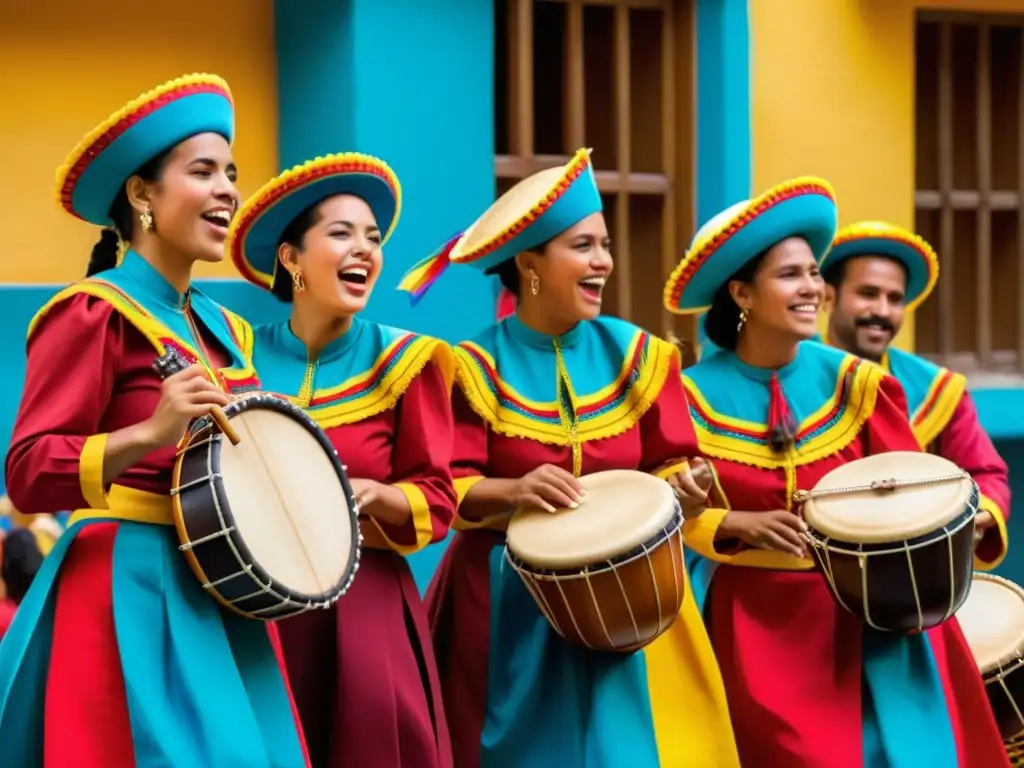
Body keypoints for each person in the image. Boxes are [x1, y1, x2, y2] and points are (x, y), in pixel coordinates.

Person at [0, 74, 309, 767]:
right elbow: (26, 474)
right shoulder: (93, 311)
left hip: (226, 594)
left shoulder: (229, 331)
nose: (229, 188)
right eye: (203, 171)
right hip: (127, 589)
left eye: (232, 172)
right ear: (142, 195)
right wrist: (147, 433)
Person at [402, 148, 740, 768]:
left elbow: (670, 461)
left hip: (634, 601)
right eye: (583, 247)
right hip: (508, 600)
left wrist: (684, 486)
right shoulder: (471, 365)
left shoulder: (640, 354)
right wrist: (514, 491)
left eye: (604, 245)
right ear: (529, 262)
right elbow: (447, 487)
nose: (603, 262)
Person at [664, 177, 1010, 767]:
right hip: (754, 625)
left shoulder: (860, 384)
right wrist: (731, 521)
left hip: (872, 617)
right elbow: (665, 511)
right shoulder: (684, 395)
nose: (812, 289)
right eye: (791, 275)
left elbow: (916, 492)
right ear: (742, 293)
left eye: (813, 273)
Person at [225, 152, 456, 768]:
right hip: (253, 616)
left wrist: (380, 497)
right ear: (291, 257)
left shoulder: (409, 361)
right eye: (341, 234)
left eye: (374, 239)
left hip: (365, 609)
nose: (365, 250)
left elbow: (438, 495)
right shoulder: (233, 356)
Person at [822, 220, 1010, 569]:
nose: (882, 310)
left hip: (911, 580)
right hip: (812, 578)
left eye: (894, 299)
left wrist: (981, 512)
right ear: (828, 296)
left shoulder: (938, 390)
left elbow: (986, 475)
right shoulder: (791, 374)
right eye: (867, 293)